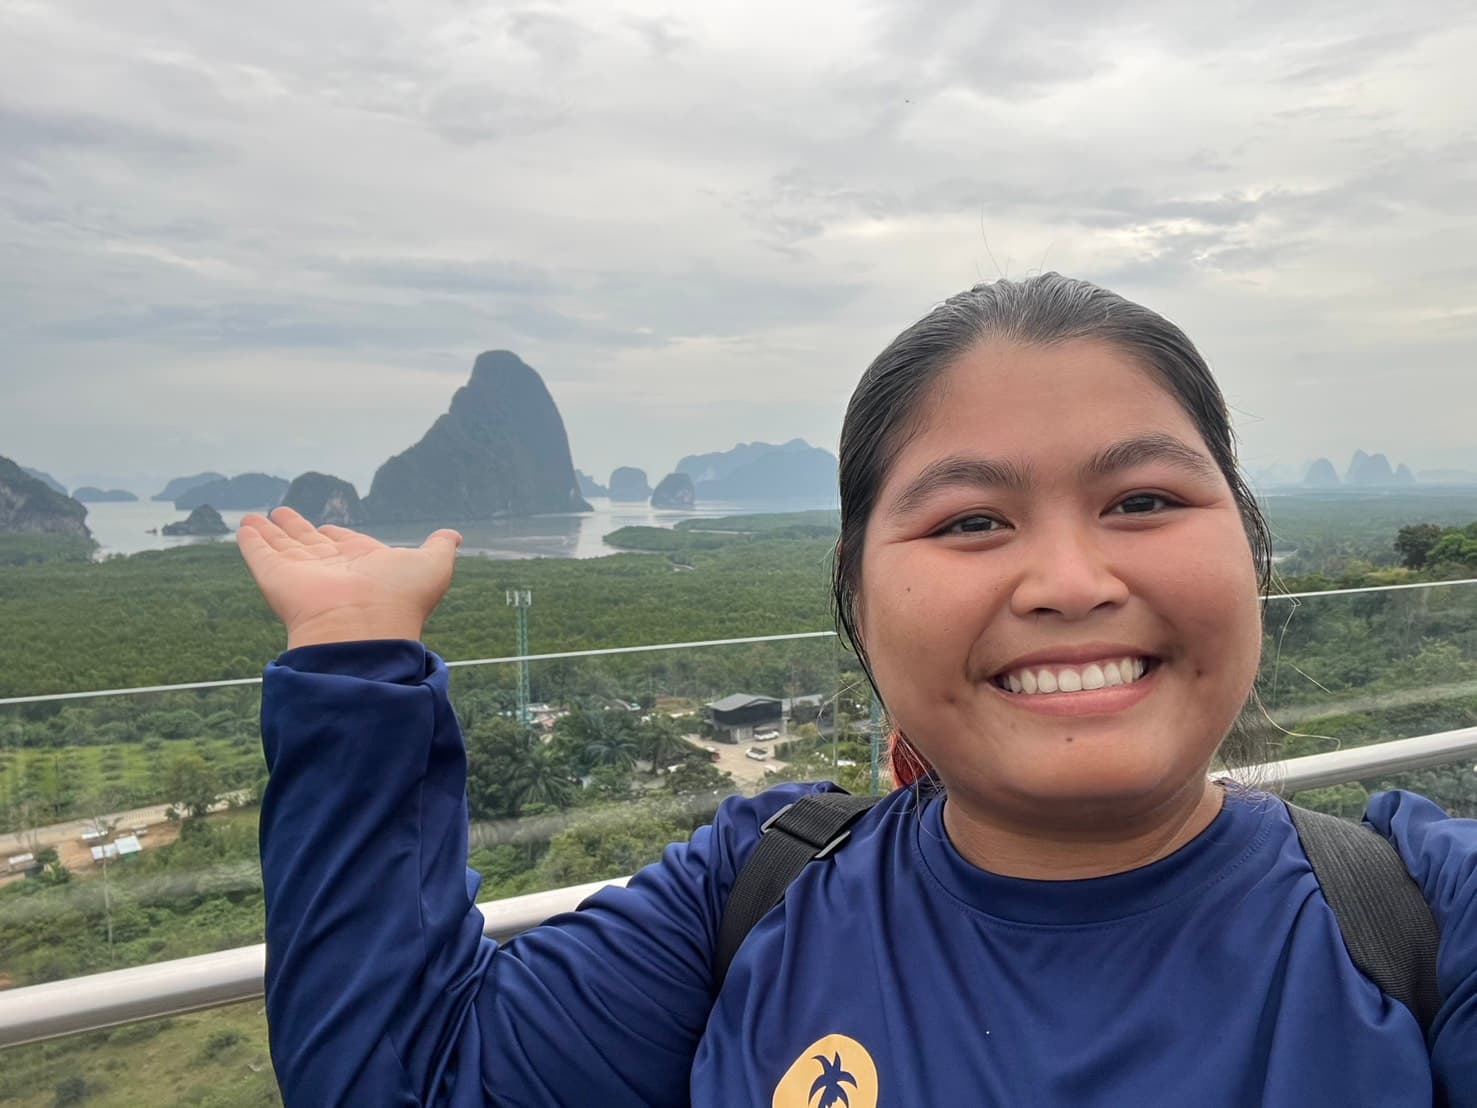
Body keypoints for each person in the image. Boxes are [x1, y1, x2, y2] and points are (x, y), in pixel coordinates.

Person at [239, 274, 1477, 1108]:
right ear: (857, 596)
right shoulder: (752, 895)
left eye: (1143, 499)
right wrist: (354, 662)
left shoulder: (1424, 917)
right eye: (970, 519)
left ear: (1249, 545)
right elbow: (407, 1081)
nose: (1068, 581)